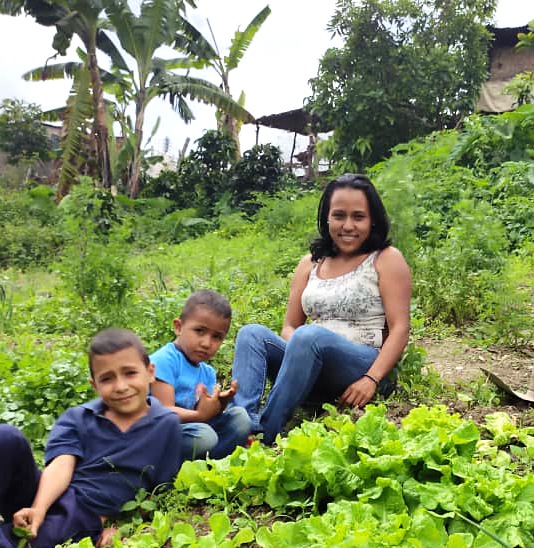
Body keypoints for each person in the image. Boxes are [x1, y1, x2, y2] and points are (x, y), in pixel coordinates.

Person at [0, 328, 183, 548]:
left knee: (14, 540)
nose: (121, 386)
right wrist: (38, 509)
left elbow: (158, 492)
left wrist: (120, 526)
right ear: (94, 385)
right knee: (1, 437)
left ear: (150, 371)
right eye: (107, 378)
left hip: (85, 514)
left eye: (130, 373)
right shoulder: (78, 417)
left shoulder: (166, 425)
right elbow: (62, 463)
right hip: (46, 495)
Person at [232, 174, 412, 444]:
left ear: (372, 219)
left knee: (309, 336)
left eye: (358, 217)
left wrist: (372, 379)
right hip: (309, 367)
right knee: (251, 334)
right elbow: (290, 326)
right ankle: (240, 425)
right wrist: (300, 351)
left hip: (360, 365)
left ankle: (265, 433)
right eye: (339, 215)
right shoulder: (310, 263)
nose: (348, 225)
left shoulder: (386, 259)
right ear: (326, 218)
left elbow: (400, 328)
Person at [149, 289, 251, 459]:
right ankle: (166, 468)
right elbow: (163, 413)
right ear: (178, 327)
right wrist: (200, 415)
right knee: (204, 437)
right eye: (199, 331)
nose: (206, 343)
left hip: (194, 430)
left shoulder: (208, 372)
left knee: (240, 418)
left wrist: (219, 405)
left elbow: (205, 416)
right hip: (159, 436)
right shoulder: (164, 360)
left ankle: (211, 465)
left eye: (216, 337)